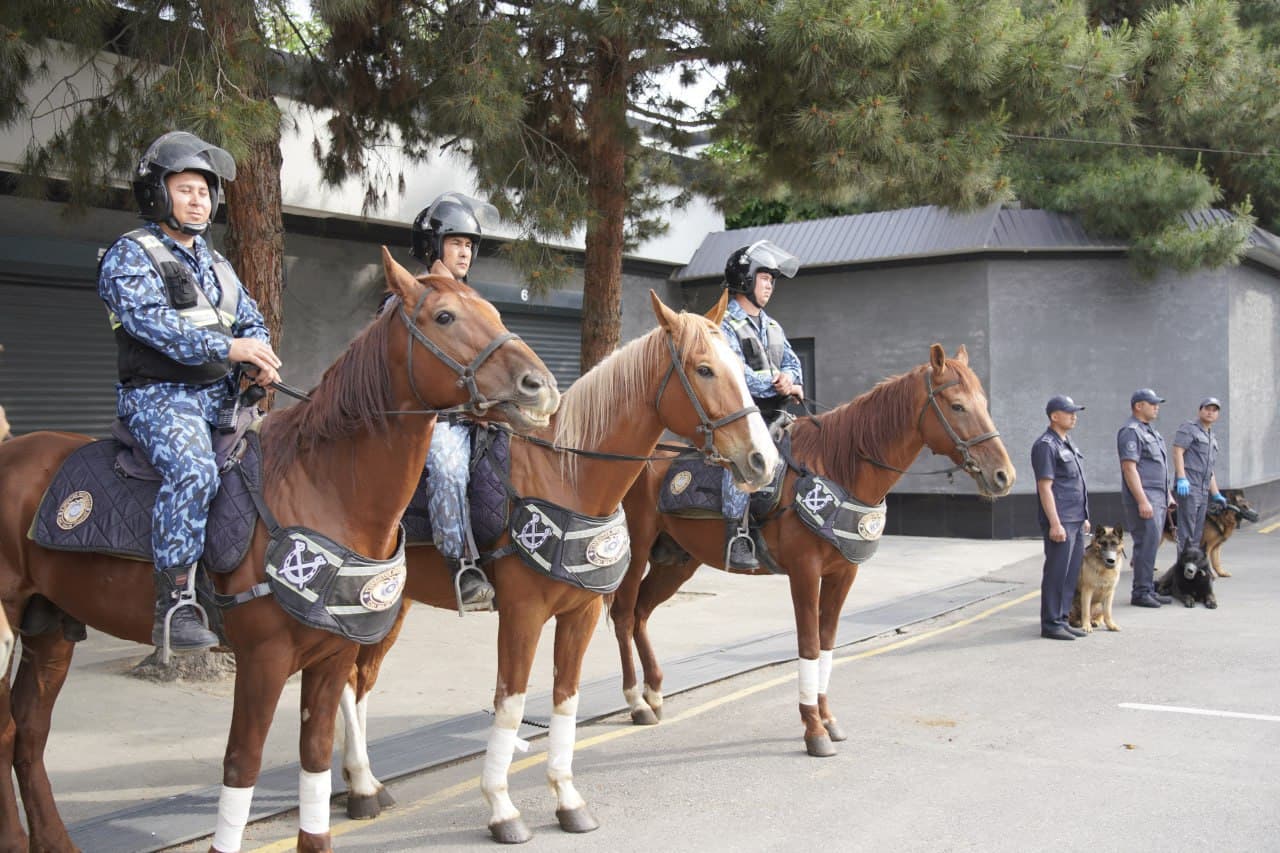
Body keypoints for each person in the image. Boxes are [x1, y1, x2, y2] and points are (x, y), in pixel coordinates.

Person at [98, 131, 281, 653]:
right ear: (158, 195)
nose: (198, 198)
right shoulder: (130, 255)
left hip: (220, 399)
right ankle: (175, 603)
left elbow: (252, 322)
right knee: (194, 469)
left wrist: (261, 358)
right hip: (159, 398)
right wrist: (233, 351)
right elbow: (151, 324)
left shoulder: (218, 263)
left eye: (204, 190)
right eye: (185, 189)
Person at [409, 192, 500, 610]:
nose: (464, 252)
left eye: (469, 245)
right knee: (448, 468)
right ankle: (459, 564)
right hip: (435, 421)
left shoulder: (477, 303)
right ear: (433, 246)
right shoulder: (409, 297)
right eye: (455, 243)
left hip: (483, 415)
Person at [719, 240, 801, 570]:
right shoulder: (725, 324)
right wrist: (774, 380)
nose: (770, 284)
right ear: (746, 280)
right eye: (764, 277)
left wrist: (791, 381)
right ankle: (736, 536)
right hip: (744, 413)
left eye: (772, 279)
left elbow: (794, 363)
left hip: (779, 411)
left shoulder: (773, 326)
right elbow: (734, 373)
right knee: (743, 463)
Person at [1032, 395, 1091, 640]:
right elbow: (1045, 487)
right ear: (1054, 416)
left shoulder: (1067, 443)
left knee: (1070, 572)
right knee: (1057, 572)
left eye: (1075, 412)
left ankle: (1063, 618)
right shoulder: (1046, 445)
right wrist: (1055, 523)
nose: (1074, 416)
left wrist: (1084, 517)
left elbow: (1076, 484)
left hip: (1075, 518)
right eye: (1069, 412)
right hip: (1061, 519)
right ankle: (1051, 623)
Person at [1117, 388, 1175, 608]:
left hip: (1158, 495)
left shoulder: (1151, 431)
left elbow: (1160, 468)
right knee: (1145, 543)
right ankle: (1140, 592)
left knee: (1152, 544)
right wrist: (1142, 500)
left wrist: (1167, 494)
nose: (1156, 407)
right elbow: (1129, 468)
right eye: (1152, 404)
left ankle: (1148, 588)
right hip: (1145, 496)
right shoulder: (1130, 431)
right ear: (1138, 406)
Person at [1172, 397, 1226, 553]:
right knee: (1187, 531)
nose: (1210, 412)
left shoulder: (1212, 438)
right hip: (1189, 487)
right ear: (1200, 410)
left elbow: (1209, 470)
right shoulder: (1189, 429)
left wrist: (1215, 494)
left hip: (1203, 490)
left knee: (1197, 532)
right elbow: (1177, 452)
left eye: (1214, 410)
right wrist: (1181, 478)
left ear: (1217, 415)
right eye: (1207, 408)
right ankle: (1183, 570)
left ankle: (1192, 567)